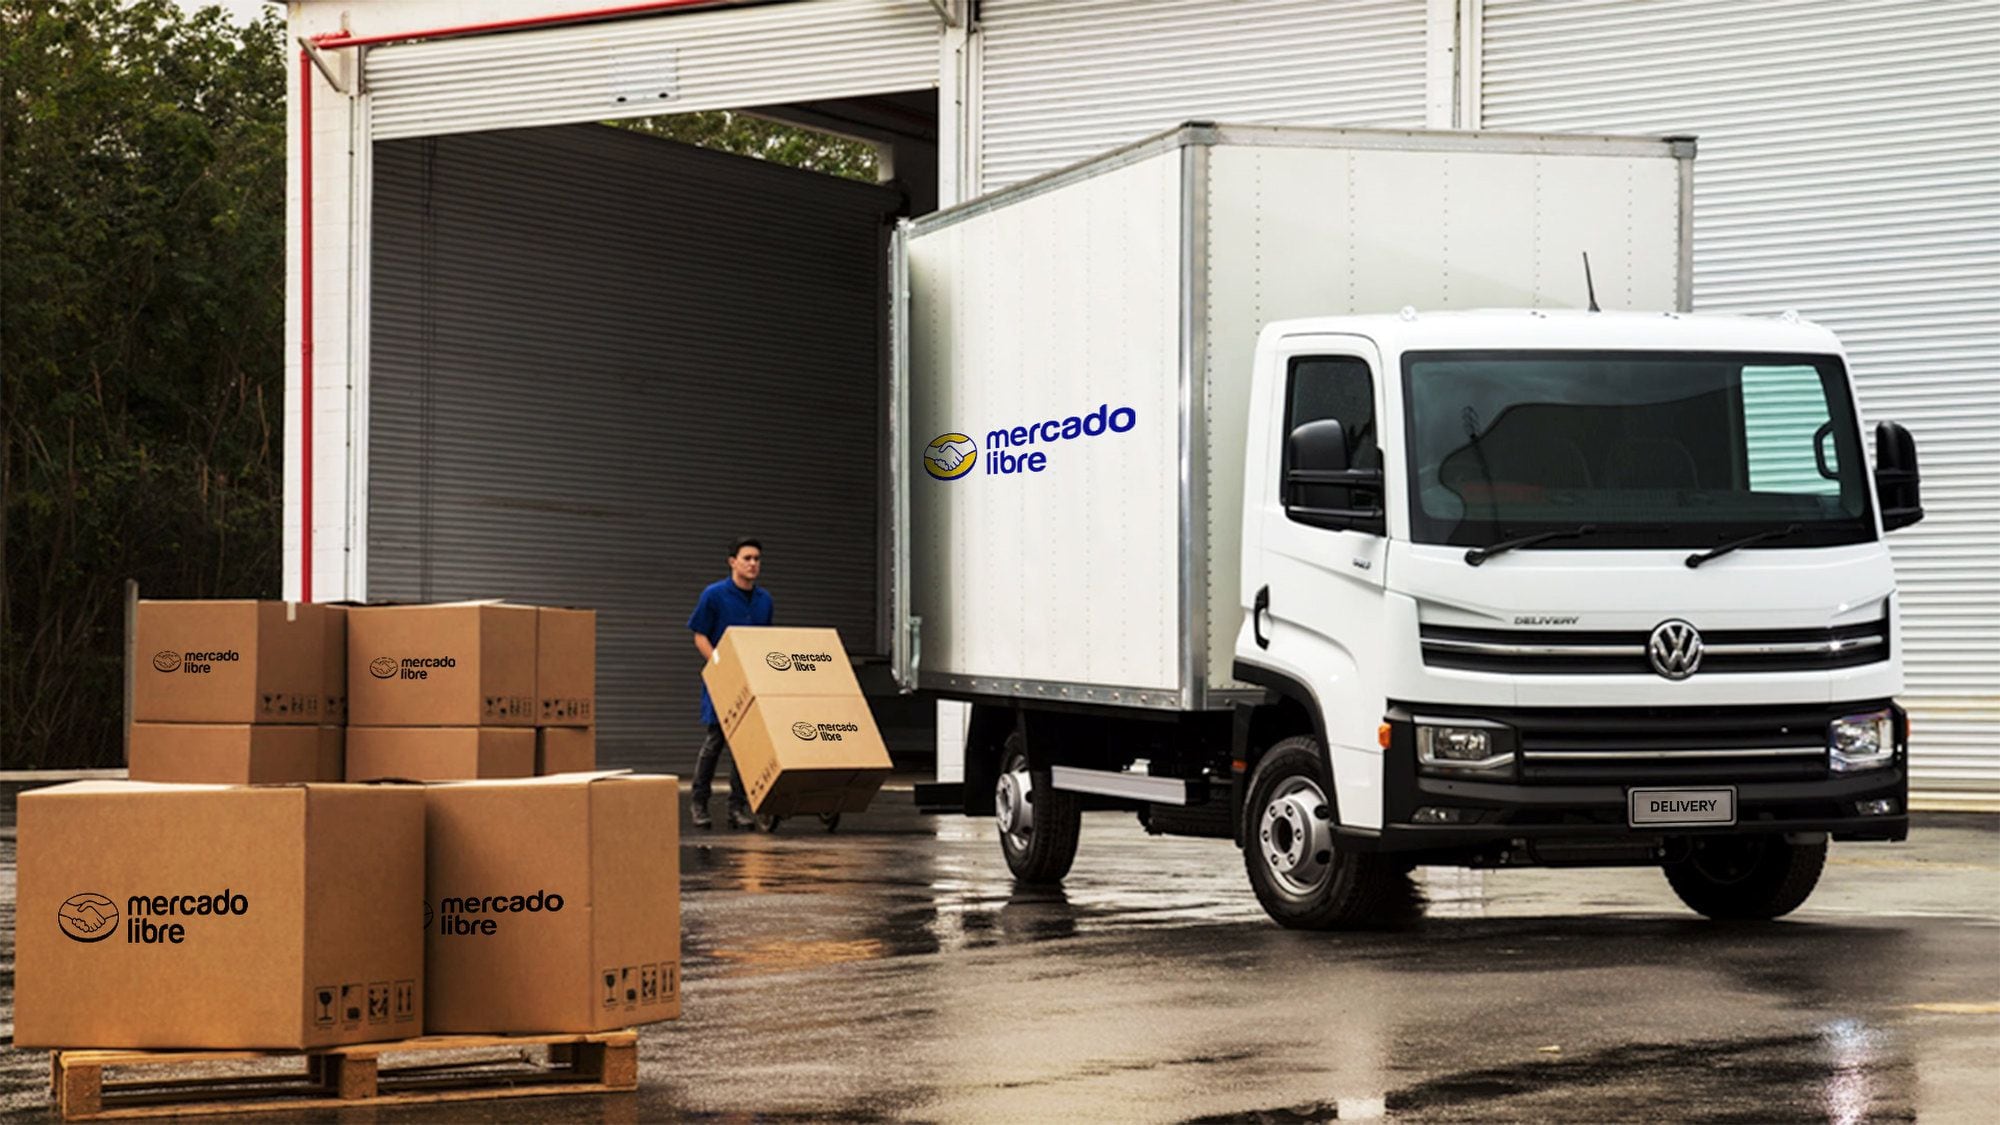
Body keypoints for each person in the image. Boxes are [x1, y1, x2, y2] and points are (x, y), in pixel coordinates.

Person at [687, 537, 773, 829]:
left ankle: (737, 807)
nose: (753, 564)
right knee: (715, 741)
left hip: (753, 680)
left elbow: (764, 640)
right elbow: (700, 635)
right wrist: (719, 664)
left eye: (757, 559)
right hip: (724, 680)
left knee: (744, 747)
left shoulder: (765, 600)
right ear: (732, 562)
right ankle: (699, 802)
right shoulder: (714, 595)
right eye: (747, 558)